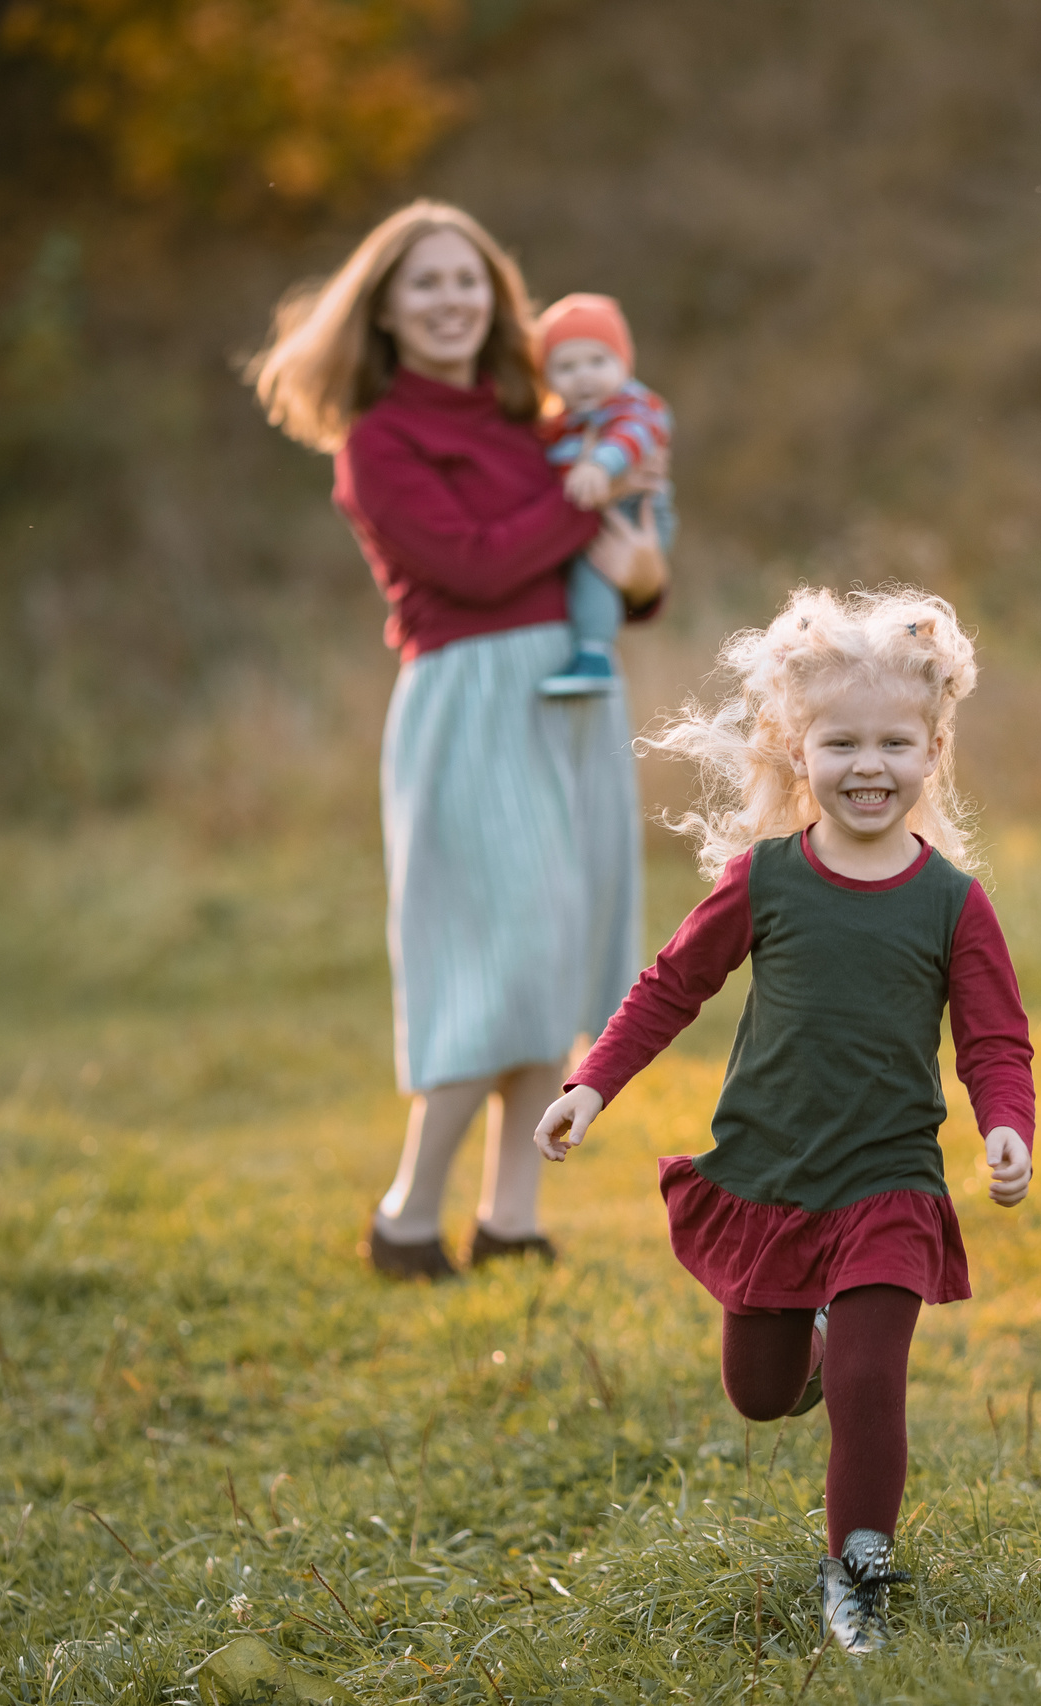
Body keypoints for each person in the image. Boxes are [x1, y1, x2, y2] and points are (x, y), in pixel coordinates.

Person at [532, 586, 1036, 1655]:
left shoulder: (953, 901)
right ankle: (808, 1337)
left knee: (868, 1384)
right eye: (840, 742)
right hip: (771, 1176)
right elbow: (670, 986)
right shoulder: (764, 881)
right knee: (761, 1394)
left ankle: (859, 1571)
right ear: (797, 751)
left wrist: (1007, 1124)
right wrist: (591, 1084)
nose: (868, 765)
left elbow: (994, 1038)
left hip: (890, 1182)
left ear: (933, 750)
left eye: (894, 742)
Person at [247, 200, 668, 1280]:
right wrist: (591, 498)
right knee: (503, 962)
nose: (450, 300)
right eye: (426, 283)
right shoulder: (379, 441)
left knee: (564, 955)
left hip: (576, 692)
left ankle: (510, 1219)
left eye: (468, 280)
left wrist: (642, 572)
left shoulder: (536, 414)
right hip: (472, 697)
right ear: (385, 308)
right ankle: (406, 1215)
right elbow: (477, 566)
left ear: (497, 299)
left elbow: (618, 560)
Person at [530, 293, 677, 697]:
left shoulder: (633, 404)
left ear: (623, 364)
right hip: (592, 520)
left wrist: (600, 465)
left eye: (598, 361)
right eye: (566, 367)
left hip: (635, 517)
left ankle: (594, 655)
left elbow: (635, 434)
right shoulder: (559, 423)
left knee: (591, 572)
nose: (584, 376)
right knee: (578, 574)